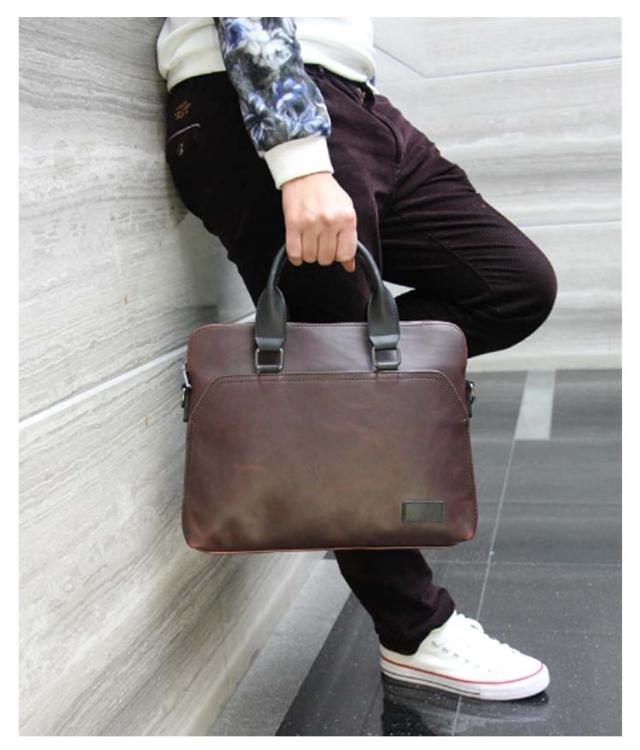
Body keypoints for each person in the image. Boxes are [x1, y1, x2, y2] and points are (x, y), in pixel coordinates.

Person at [157, 17, 557, 702]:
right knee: (343, 394)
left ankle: (312, 379)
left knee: (515, 284)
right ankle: (413, 630)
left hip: (358, 100)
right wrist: (298, 157)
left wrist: (342, 365)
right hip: (260, 97)